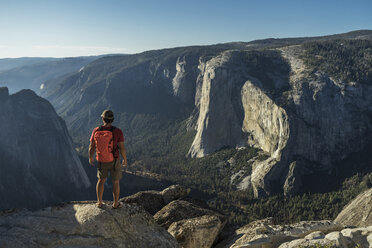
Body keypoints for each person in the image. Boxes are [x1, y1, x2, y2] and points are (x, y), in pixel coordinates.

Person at [89, 110, 127, 209]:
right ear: (112, 119)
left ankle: (99, 202)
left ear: (103, 118)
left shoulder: (96, 130)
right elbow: (122, 147)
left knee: (101, 180)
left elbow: (92, 146)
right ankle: (115, 203)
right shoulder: (118, 131)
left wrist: (90, 157)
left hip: (102, 160)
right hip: (114, 160)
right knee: (115, 182)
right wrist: (124, 159)